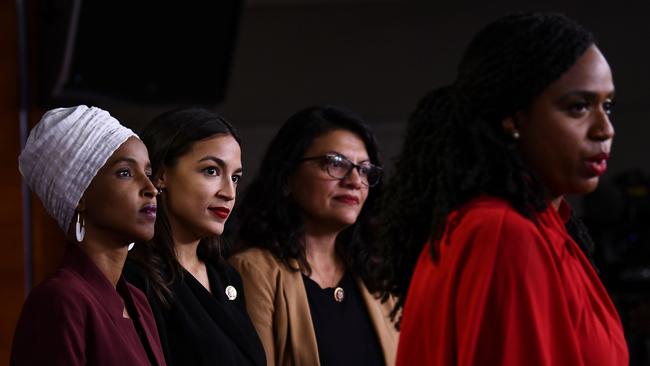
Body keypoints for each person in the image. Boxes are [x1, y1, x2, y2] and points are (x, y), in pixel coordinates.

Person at [379, 12, 628, 365]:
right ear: (513, 117)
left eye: (607, 106)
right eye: (578, 107)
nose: (605, 129)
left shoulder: (541, 229)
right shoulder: (504, 234)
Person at [229, 105, 398, 366]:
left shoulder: (377, 278)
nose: (355, 180)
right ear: (286, 177)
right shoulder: (253, 270)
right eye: (335, 163)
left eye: (364, 169)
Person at [11, 105, 166, 365]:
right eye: (125, 173)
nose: (150, 188)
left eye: (148, 174)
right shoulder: (60, 301)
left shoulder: (138, 301)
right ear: (79, 193)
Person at [124, 107, 266, 366]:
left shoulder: (226, 275)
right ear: (161, 174)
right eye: (211, 171)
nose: (229, 192)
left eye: (235, 178)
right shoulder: (135, 278)